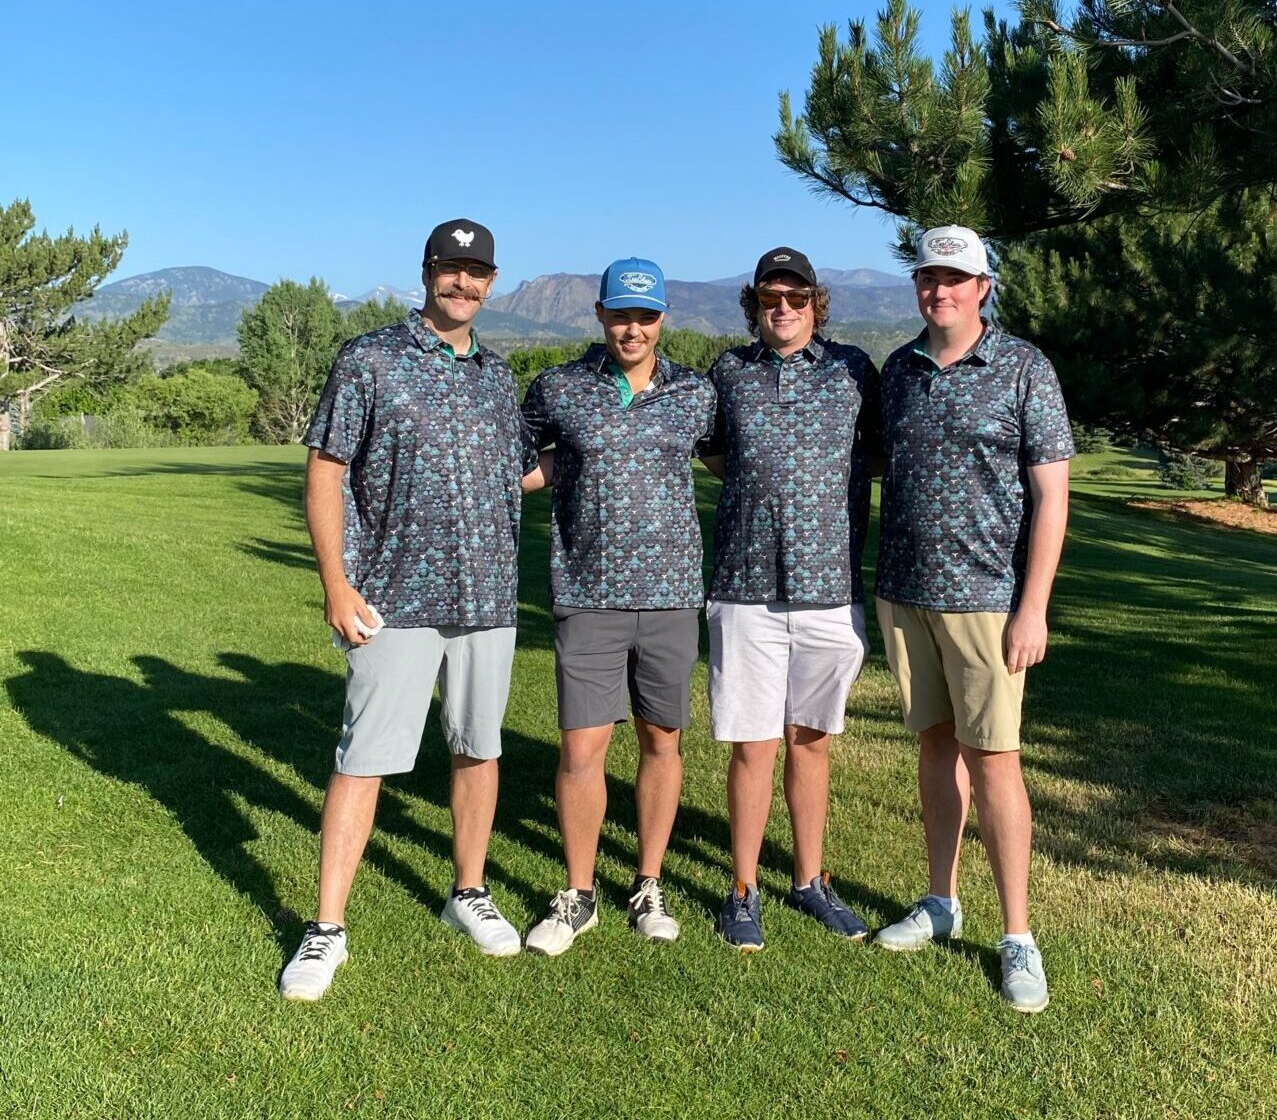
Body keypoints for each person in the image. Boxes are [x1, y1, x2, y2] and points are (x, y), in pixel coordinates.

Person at [278, 218, 540, 1002]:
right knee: (363, 762)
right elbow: (326, 470)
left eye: (476, 273)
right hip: (392, 597)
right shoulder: (371, 360)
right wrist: (336, 583)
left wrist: (615, 446)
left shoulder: (499, 377)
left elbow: (520, 474)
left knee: (478, 750)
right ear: (426, 273)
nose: (462, 283)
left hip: (487, 598)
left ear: (492, 283)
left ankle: (467, 892)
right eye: (449, 269)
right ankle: (325, 929)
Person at [870, 225, 1073, 1014]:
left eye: (956, 278)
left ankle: (1018, 934)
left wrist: (1033, 606)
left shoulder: (1023, 368)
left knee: (996, 763)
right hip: (906, 591)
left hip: (989, 600)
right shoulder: (900, 369)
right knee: (935, 747)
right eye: (928, 276)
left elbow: (1052, 495)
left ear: (984, 286)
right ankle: (939, 900)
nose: (939, 290)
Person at [520, 258, 715, 956]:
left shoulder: (696, 393)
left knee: (662, 741)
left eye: (646, 316)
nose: (632, 328)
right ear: (599, 314)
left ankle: (648, 881)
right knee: (581, 747)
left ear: (663, 319)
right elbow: (518, 463)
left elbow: (730, 462)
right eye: (620, 314)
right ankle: (579, 893)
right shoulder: (560, 388)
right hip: (586, 593)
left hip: (669, 596)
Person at [700, 248, 879, 952]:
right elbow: (716, 453)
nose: (784, 308)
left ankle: (809, 881)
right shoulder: (729, 372)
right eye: (771, 297)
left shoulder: (853, 370)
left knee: (811, 742)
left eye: (796, 298)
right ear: (754, 303)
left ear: (815, 303)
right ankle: (742, 889)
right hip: (745, 589)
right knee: (753, 746)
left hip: (830, 588)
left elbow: (880, 452)